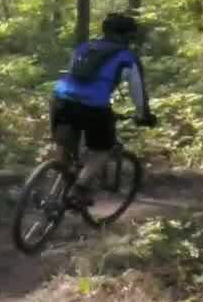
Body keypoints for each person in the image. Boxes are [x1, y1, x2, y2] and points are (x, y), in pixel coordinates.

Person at [51, 13, 156, 200]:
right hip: (93, 106)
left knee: (64, 144)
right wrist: (144, 116)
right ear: (129, 36)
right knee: (102, 150)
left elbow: (75, 74)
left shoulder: (84, 47)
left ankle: (58, 185)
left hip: (61, 98)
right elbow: (138, 94)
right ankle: (79, 189)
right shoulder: (127, 57)